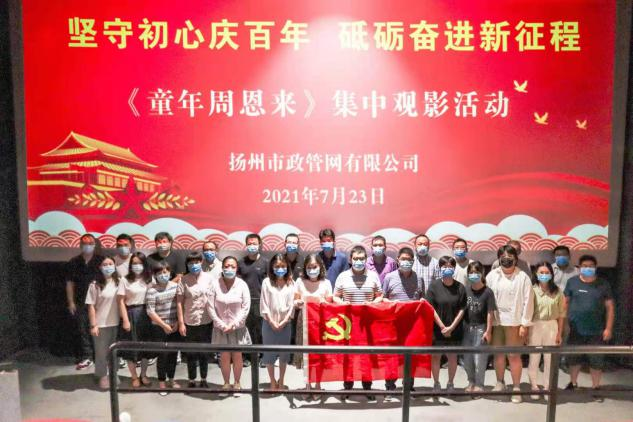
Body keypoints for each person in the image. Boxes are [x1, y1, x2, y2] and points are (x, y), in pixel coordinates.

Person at [333, 245, 383, 402]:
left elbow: (380, 295)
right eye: (356, 258)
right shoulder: (343, 276)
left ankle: (367, 387)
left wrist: (373, 303)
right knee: (348, 356)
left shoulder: (373, 276)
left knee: (366, 356)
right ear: (350, 259)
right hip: (348, 323)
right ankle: (348, 386)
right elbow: (335, 296)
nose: (359, 261)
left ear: (366, 259)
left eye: (362, 258)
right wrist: (342, 303)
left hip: (367, 324)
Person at [486, 244, 534, 403]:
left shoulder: (523, 277)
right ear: (499, 259)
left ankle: (516, 387)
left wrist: (524, 324)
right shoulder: (492, 275)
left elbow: (528, 301)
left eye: (510, 258)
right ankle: (500, 382)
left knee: (514, 356)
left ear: (516, 259)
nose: (506, 260)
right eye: (503, 258)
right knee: (498, 354)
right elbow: (487, 299)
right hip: (496, 322)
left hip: (515, 322)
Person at [564, 255, 614, 396]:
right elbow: (565, 303)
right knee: (574, 359)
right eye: (585, 266)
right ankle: (573, 383)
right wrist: (565, 324)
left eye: (591, 266)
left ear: (596, 267)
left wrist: (608, 328)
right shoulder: (572, 282)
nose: (588, 268)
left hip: (596, 330)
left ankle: (595, 387)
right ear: (579, 267)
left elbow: (610, 307)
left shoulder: (603, 284)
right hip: (575, 329)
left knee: (596, 360)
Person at [381, 247, 422, 401]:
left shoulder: (419, 278)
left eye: (409, 259)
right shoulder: (389, 277)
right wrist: (393, 303)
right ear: (398, 260)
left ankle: (408, 388)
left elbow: (421, 299)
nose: (406, 262)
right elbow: (382, 298)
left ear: (413, 261)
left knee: (410, 358)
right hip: (393, 324)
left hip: (412, 326)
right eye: (403, 259)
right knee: (392, 357)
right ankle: (390, 389)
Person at [208, 256, 252, 392]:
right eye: (227, 266)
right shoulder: (214, 284)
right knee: (224, 356)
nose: (229, 269)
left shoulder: (242, 284)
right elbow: (210, 307)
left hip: (237, 327)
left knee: (237, 356)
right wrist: (221, 324)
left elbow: (246, 307)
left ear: (237, 269)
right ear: (222, 268)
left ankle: (237, 383)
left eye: (233, 266)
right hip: (220, 328)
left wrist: (234, 324)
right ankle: (226, 383)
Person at [293, 253, 333, 398]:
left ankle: (318, 385)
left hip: (321, 322)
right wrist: (297, 303)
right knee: (306, 355)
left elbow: (330, 303)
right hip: (304, 321)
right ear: (305, 268)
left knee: (319, 355)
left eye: (314, 267)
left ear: (320, 267)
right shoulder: (299, 281)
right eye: (309, 267)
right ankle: (307, 385)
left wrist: (324, 302)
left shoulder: (326, 283)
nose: (312, 270)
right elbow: (295, 301)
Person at [426, 256, 467, 392]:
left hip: (455, 329)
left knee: (452, 357)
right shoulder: (434, 286)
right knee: (436, 357)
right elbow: (430, 308)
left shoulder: (460, 287)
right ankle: (436, 383)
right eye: (444, 266)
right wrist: (442, 327)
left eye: (450, 266)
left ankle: (450, 383)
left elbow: (462, 308)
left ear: (454, 268)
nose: (447, 269)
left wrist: (451, 327)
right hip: (437, 329)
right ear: (440, 268)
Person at [528, 261, 565, 400]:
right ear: (536, 274)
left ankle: (547, 387)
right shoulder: (532, 290)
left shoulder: (558, 291)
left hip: (552, 326)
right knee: (534, 357)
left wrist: (559, 333)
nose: (544, 275)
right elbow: (528, 312)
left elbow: (561, 314)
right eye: (541, 272)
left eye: (547, 272)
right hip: (535, 325)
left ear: (551, 274)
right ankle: (534, 386)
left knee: (549, 358)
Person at [66, 233, 103, 370]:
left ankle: (101, 356)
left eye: (90, 243)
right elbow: (70, 283)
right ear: (80, 245)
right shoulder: (74, 262)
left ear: (95, 245)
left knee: (99, 329)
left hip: (99, 302)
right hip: (80, 301)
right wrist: (71, 302)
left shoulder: (101, 260)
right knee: (83, 330)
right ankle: (87, 357)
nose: (87, 246)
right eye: (85, 243)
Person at [177, 252, 214, 388]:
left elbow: (213, 299)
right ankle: (191, 379)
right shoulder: (183, 280)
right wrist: (181, 323)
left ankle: (204, 379)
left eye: (196, 262)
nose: (194, 265)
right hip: (189, 321)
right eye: (191, 263)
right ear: (187, 265)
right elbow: (179, 303)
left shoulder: (209, 278)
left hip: (206, 321)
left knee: (204, 352)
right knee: (191, 353)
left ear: (201, 262)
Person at [117, 252, 153, 388]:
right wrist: (125, 320)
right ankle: (134, 376)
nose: (137, 266)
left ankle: (143, 375)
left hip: (146, 315)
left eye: (140, 263)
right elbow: (120, 301)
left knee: (145, 348)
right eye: (134, 263)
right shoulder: (125, 280)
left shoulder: (149, 279)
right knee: (130, 349)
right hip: (131, 313)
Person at [260, 254, 295, 390]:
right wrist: (272, 322)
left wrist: (285, 321)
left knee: (284, 355)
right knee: (269, 354)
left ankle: (281, 381)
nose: (280, 269)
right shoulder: (266, 282)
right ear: (272, 267)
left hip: (286, 325)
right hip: (269, 324)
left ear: (287, 267)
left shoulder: (291, 283)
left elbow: (292, 305)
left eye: (283, 266)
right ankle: (272, 382)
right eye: (277, 266)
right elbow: (264, 304)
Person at [146, 262, 181, 395]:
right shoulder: (152, 290)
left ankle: (171, 379)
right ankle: (162, 383)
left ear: (170, 273)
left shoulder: (176, 287)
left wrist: (177, 322)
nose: (162, 275)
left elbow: (180, 305)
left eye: (165, 272)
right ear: (155, 275)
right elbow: (150, 311)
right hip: (159, 328)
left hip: (175, 326)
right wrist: (164, 325)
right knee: (162, 356)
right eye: (159, 273)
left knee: (173, 354)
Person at [85, 256, 120, 389]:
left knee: (115, 352)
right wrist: (93, 325)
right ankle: (102, 375)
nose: (108, 267)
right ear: (100, 267)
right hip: (101, 324)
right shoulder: (94, 285)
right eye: (105, 265)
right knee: (101, 352)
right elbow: (91, 306)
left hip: (117, 323)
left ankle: (113, 373)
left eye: (110, 264)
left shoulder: (120, 282)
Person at [461, 261, 495, 394]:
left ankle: (480, 385)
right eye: (471, 272)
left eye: (476, 272)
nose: (474, 275)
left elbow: (490, 312)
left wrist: (488, 331)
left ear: (482, 273)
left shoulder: (488, 292)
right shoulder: (466, 290)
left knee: (480, 359)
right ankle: (471, 382)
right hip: (466, 328)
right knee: (467, 359)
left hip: (481, 328)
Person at [238, 233, 268, 367]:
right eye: (249, 244)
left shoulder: (266, 262)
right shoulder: (240, 263)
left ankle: (263, 356)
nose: (252, 246)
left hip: (260, 301)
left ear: (259, 245)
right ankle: (246, 356)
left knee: (261, 331)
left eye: (254, 244)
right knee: (245, 330)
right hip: (244, 302)